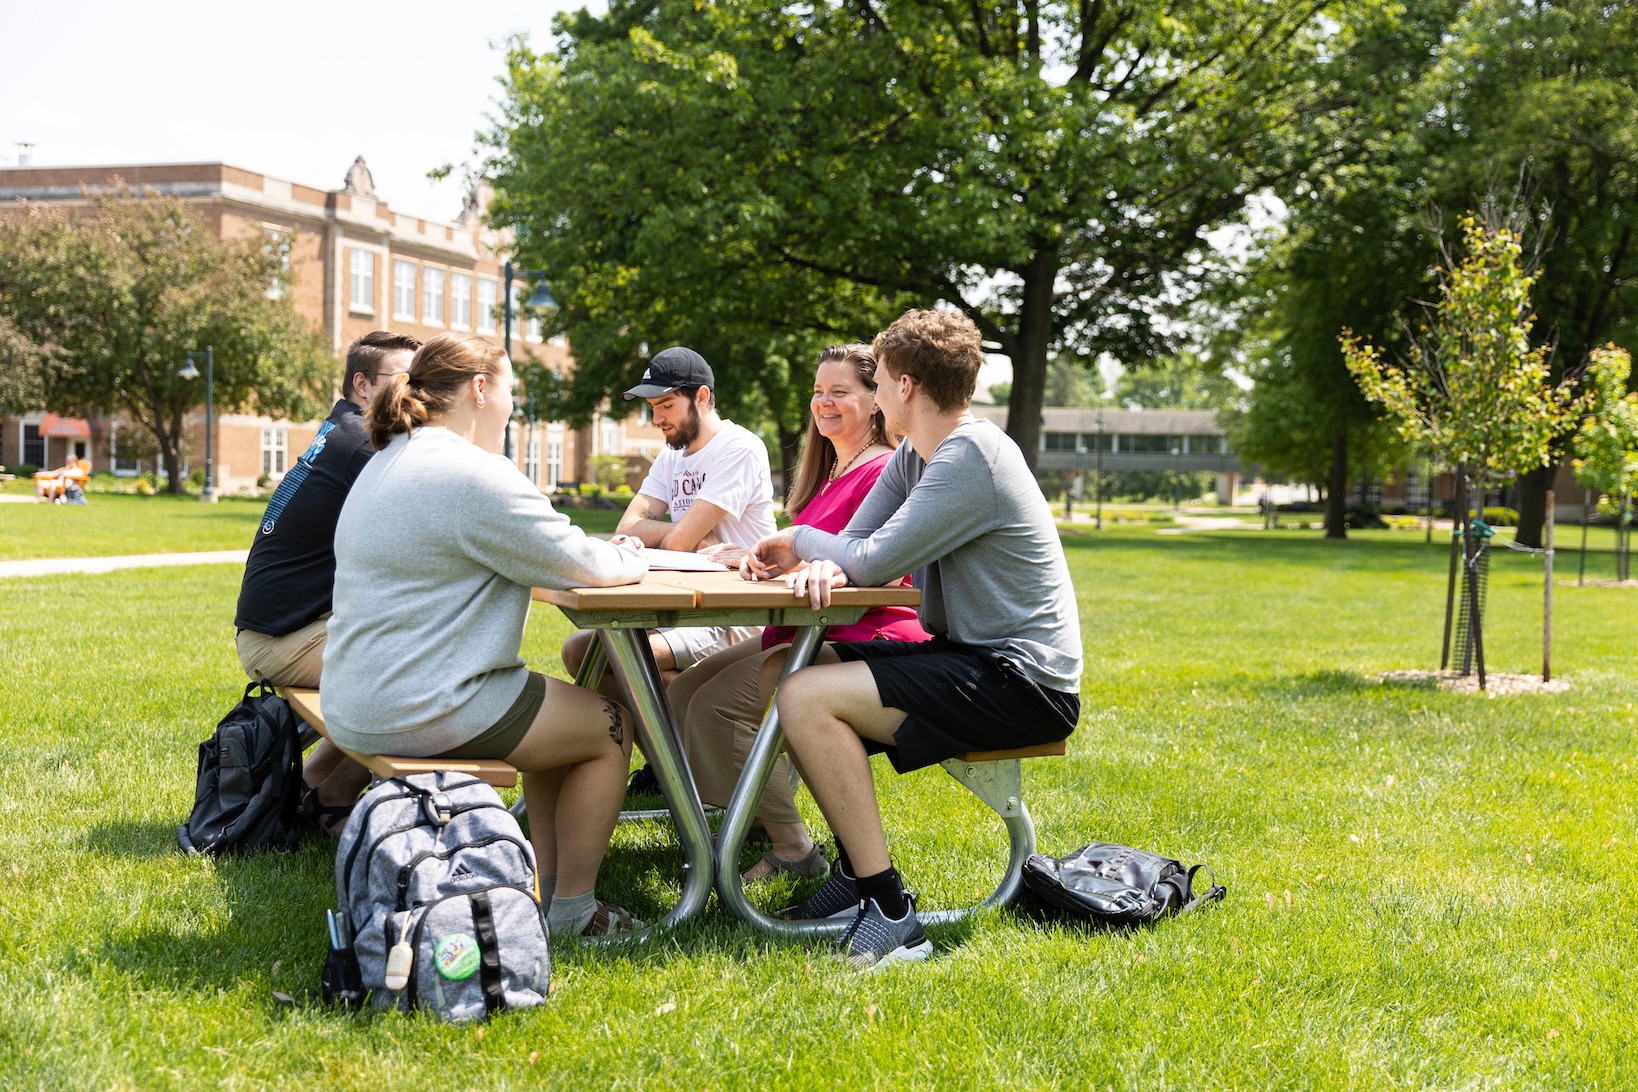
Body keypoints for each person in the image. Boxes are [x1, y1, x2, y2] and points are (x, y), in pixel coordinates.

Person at [743, 309, 1083, 969]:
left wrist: (795, 542)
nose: (872, 393)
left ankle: (890, 912)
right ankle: (851, 876)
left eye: (878, 380)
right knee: (777, 673)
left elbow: (865, 562)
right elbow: (852, 551)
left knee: (808, 695)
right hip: (971, 658)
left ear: (903, 387)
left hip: (1023, 681)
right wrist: (822, 555)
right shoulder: (914, 455)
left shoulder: (969, 456)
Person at [323, 332, 650, 937]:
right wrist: (633, 555)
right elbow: (591, 567)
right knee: (610, 727)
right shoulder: (473, 474)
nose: (512, 407)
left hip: (358, 697)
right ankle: (574, 910)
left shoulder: (389, 458)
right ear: (479, 389)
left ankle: (548, 895)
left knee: (566, 718)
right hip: (422, 701)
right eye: (510, 392)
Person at [668, 344, 927, 884]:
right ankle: (722, 821)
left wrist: (794, 564)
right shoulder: (831, 471)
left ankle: (791, 846)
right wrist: (756, 555)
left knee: (714, 706)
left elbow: (878, 567)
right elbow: (811, 553)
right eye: (817, 392)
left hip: (861, 633)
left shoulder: (883, 469)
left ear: (875, 401)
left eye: (840, 392)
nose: (824, 403)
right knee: (682, 692)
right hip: (799, 628)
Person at [234, 331, 419, 835]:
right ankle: (334, 797)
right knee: (418, 671)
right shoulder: (362, 442)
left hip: (280, 630)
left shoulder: (342, 431)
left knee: (397, 651)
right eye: (405, 381)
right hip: (283, 640)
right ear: (362, 384)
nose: (417, 396)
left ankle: (309, 789)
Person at [561, 346, 776, 688]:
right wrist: (686, 536)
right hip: (683, 606)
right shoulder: (670, 455)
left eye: (667, 405)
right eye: (652, 409)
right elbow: (628, 527)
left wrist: (672, 537)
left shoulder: (739, 448)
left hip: (735, 615)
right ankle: (674, 736)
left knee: (610, 655)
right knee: (578, 650)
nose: (657, 419)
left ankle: (683, 732)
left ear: (702, 396)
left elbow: (676, 542)